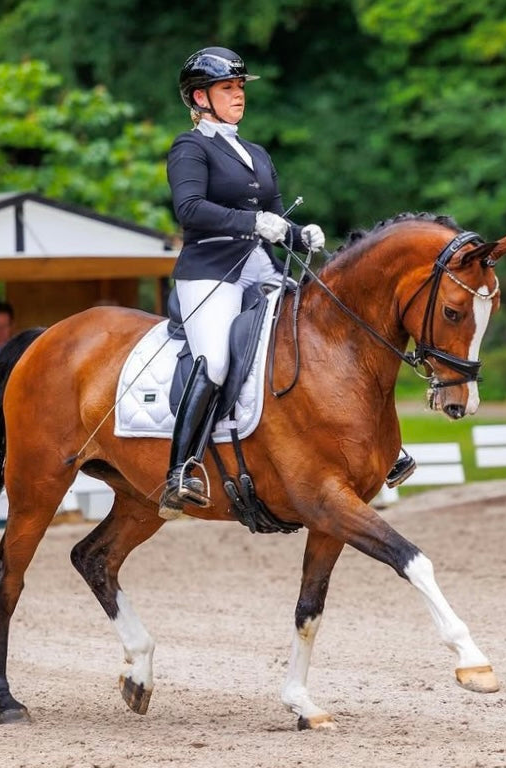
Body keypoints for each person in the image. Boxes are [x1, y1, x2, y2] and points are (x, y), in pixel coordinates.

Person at [159, 46, 327, 519]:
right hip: (209, 269)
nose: (238, 96)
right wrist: (253, 224)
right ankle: (181, 471)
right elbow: (189, 209)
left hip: (258, 264)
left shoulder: (254, 152)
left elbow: (271, 215)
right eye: (228, 88)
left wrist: (298, 232)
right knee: (212, 361)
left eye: (239, 88)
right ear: (200, 97)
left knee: (312, 334)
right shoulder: (190, 147)